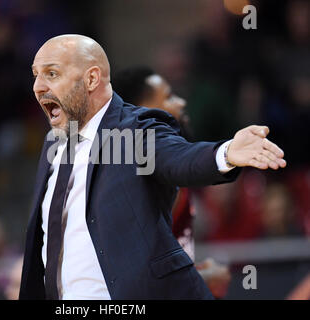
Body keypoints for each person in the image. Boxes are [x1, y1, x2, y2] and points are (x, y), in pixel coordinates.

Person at [19, 34, 286, 300]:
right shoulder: (54, 142)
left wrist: (225, 152)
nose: (38, 87)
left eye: (51, 73)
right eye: (35, 75)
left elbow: (180, 158)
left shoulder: (135, 130)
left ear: (91, 79)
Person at [113, 66, 231, 298]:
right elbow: (135, 280)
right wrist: (201, 279)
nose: (181, 102)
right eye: (168, 97)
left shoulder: (166, 173)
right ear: (142, 114)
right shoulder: (135, 182)